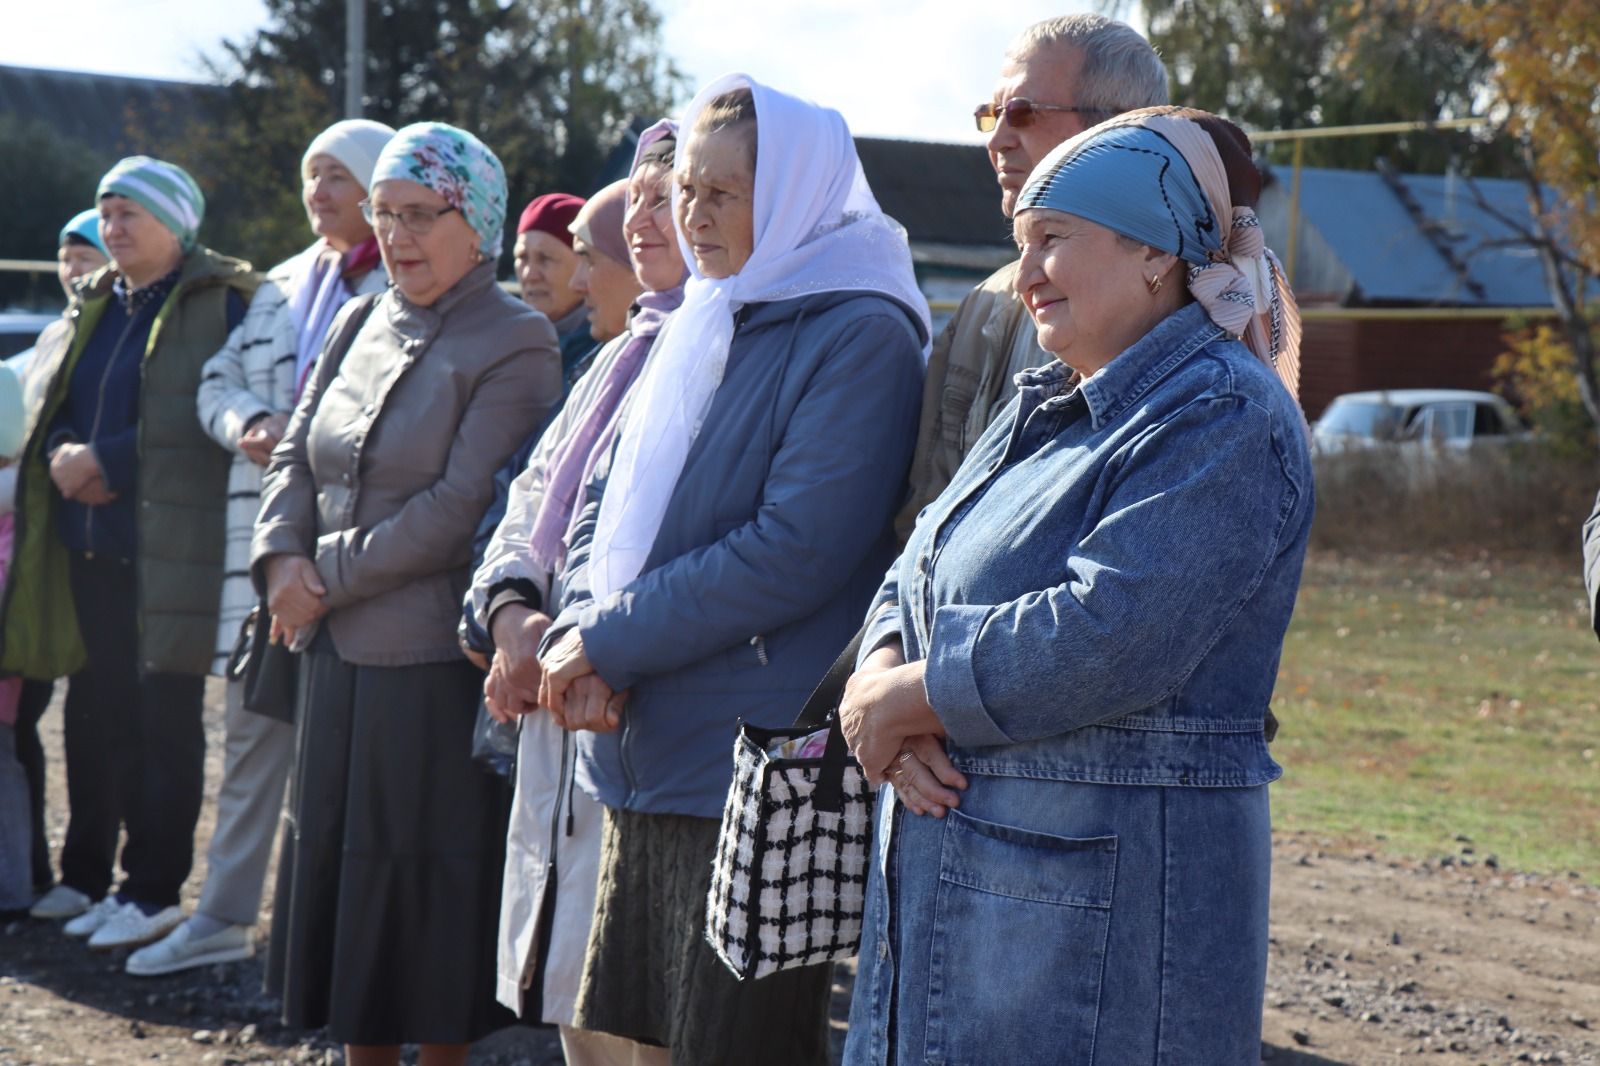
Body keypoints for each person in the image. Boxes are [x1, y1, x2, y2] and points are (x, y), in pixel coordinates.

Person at [839, 107, 1310, 1065]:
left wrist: (915, 697)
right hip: (979, 911)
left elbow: (1114, 631)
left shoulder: (1220, 414)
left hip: (1099, 941)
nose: (1026, 274)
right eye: (1023, 245)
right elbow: (918, 561)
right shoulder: (1047, 406)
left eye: (1053, 239)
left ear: (1152, 252)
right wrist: (877, 676)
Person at [535, 76, 928, 1065]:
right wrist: (575, 631)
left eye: (723, 192)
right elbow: (601, 497)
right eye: (683, 191)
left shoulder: (860, 332)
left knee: (729, 1049)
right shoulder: (708, 314)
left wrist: (609, 640)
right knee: (636, 1040)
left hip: (744, 762)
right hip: (647, 743)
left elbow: (795, 548)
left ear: (793, 191)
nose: (689, 215)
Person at [252, 121, 561, 1066]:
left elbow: (457, 507)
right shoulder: (357, 315)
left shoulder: (516, 340)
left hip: (423, 667)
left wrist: (320, 579)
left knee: (418, 907)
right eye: (384, 214)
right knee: (344, 891)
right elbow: (295, 456)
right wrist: (277, 561)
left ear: (477, 222)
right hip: (334, 654)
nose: (396, 234)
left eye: (420, 213)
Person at [124, 118, 396, 977]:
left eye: (337, 177)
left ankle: (337, 937)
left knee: (358, 759)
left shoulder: (414, 284)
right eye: (311, 175)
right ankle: (225, 915)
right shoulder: (282, 284)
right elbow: (219, 380)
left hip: (366, 560)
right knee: (252, 735)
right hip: (274, 546)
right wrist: (249, 423)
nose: (319, 192)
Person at [469, 120, 686, 1065]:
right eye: (634, 194)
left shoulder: (742, 347)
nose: (644, 218)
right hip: (563, 699)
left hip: (641, 712)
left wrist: (590, 644)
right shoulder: (615, 358)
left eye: (668, 196)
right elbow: (532, 498)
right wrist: (513, 609)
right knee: (580, 1004)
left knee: (646, 1013)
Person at [0, 157, 256, 947]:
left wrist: (109, 459)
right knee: (97, 714)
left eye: (129, 215)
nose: (111, 230)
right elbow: (60, 402)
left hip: (166, 548)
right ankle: (89, 879)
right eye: (105, 215)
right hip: (86, 543)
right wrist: (67, 450)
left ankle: (152, 889)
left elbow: (198, 418)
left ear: (176, 224)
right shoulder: (99, 303)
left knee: (163, 719)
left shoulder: (219, 302)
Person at [894, 13, 1168, 540]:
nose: (996, 139)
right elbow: (921, 524)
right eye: (989, 114)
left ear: (1117, 125)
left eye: (1022, 112)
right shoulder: (985, 306)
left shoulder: (1194, 304)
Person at [458, 177, 644, 669]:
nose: (530, 273)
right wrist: (500, 609)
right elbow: (524, 488)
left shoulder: (605, 358)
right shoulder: (587, 364)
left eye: (551, 259)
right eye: (522, 259)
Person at [3, 208, 110, 911]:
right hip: (30, 558)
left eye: (85, 254)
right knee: (19, 729)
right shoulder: (50, 338)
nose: (73, 269)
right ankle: (35, 871)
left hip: (76, 556)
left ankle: (57, 876)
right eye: (65, 256)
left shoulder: (107, 336)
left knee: (60, 725)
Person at [515, 192, 594, 382]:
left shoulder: (601, 349)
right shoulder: (504, 340)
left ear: (585, 262)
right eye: (522, 257)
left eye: (545, 258)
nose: (529, 275)